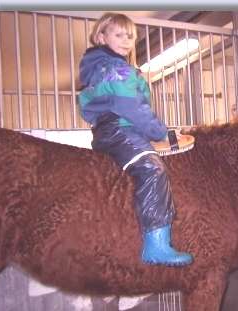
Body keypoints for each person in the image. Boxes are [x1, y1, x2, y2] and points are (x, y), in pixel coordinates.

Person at [78, 12, 193, 266]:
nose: (126, 40)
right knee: (153, 170)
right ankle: (156, 246)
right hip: (121, 131)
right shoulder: (116, 69)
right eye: (118, 34)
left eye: (130, 36)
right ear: (100, 36)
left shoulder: (103, 67)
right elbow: (132, 108)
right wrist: (161, 133)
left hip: (111, 130)